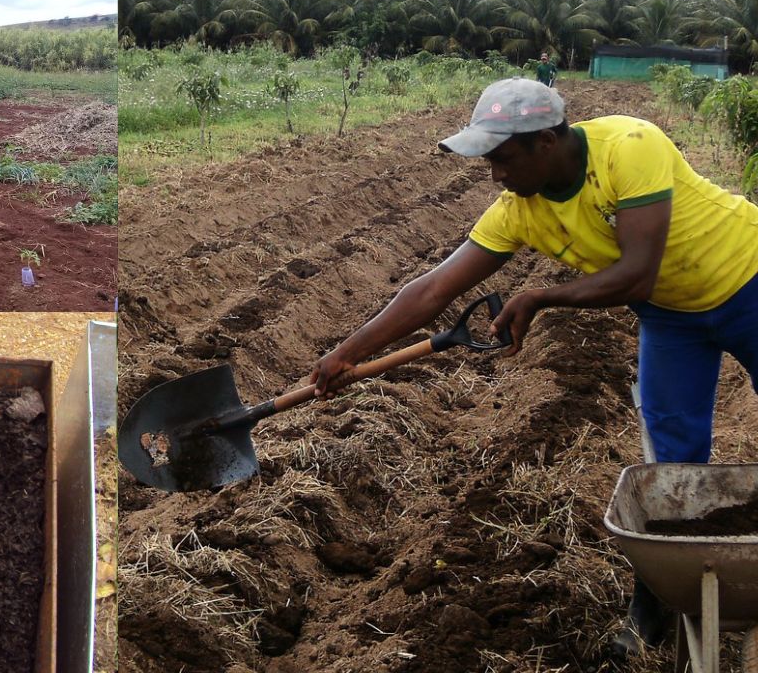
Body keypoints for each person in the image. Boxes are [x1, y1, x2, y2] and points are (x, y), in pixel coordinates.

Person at [308, 78, 758, 659]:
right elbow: (434, 289)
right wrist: (349, 351)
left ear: (547, 140)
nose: (494, 173)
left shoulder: (630, 145)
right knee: (670, 463)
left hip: (748, 280)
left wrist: (540, 296)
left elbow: (637, 272)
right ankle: (657, 604)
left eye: (502, 157)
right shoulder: (519, 210)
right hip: (671, 318)